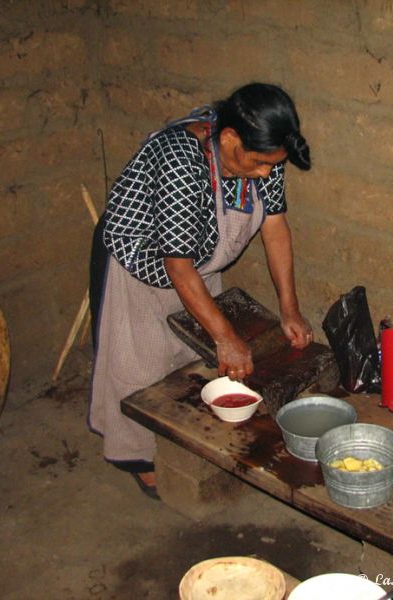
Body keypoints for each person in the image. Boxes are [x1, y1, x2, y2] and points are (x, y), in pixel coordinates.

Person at [88, 82, 314, 499]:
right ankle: (139, 459)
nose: (267, 172)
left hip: (197, 262)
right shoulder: (180, 156)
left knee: (190, 359)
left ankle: (183, 444)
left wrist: (290, 309)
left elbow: (275, 228)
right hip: (139, 263)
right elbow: (176, 263)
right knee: (140, 366)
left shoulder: (266, 152)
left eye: (273, 165)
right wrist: (225, 336)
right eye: (261, 163)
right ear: (229, 138)